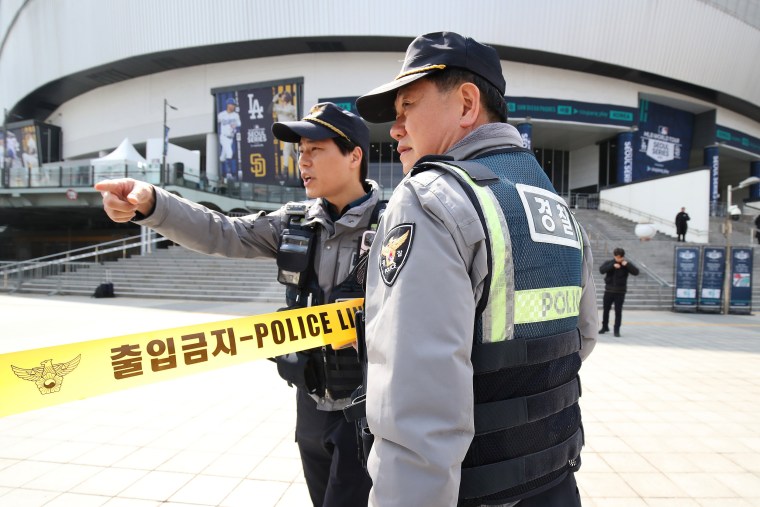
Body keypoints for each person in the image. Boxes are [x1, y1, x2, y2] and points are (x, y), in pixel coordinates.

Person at [349, 32, 598, 506]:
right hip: (555, 482)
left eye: (407, 107)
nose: (396, 128)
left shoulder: (431, 199)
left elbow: (418, 410)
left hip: (474, 491)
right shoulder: (555, 205)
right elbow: (581, 338)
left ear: (466, 103)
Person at [95, 102, 377, 507]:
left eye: (316, 150)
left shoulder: (394, 226)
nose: (303, 161)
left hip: (365, 409)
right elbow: (222, 232)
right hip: (310, 403)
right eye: (300, 152)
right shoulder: (293, 222)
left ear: (354, 156)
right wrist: (153, 203)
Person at [599, 247, 639, 338]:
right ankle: (604, 327)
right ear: (614, 256)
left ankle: (616, 330)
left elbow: (636, 272)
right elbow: (601, 270)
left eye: (620, 258)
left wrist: (627, 265)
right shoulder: (610, 262)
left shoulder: (626, 265)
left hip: (620, 292)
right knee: (606, 310)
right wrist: (612, 265)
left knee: (618, 311)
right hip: (608, 290)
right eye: (616, 257)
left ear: (623, 257)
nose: (618, 259)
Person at [273, 91, 299, 181]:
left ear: (287, 97)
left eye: (283, 95)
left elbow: (296, 118)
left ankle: (284, 173)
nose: (282, 97)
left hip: (290, 131)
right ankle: (300, 165)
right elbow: (269, 109)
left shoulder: (292, 108)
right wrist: (277, 96)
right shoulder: (279, 106)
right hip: (283, 132)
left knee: (286, 150)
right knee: (291, 152)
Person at [217, 97, 241, 181]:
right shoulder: (221, 115)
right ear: (228, 105)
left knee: (223, 157)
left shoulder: (235, 115)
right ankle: (229, 173)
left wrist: (235, 127)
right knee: (229, 153)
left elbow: (239, 125)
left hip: (231, 138)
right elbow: (215, 123)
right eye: (232, 104)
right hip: (223, 136)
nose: (233, 106)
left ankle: (221, 174)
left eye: (234, 105)